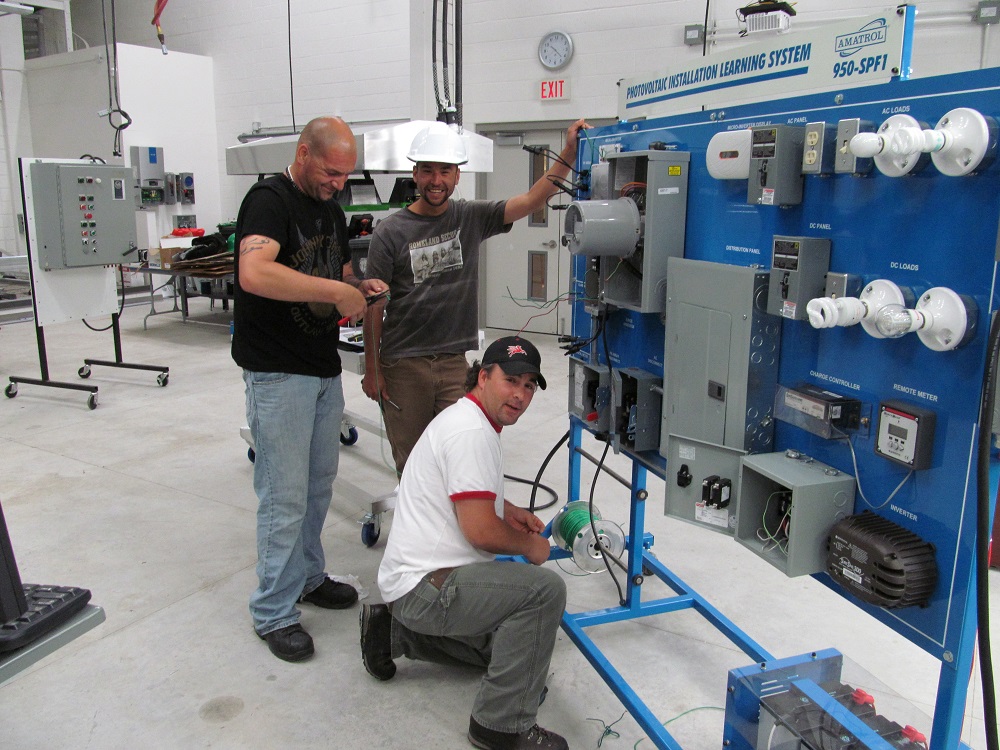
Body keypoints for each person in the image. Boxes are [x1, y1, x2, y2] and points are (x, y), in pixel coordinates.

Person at [359, 336, 569, 750]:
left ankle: (393, 633)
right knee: (545, 594)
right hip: (426, 586)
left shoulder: (468, 418)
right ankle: (499, 725)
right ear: (484, 375)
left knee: (513, 653)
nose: (521, 395)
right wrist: (530, 547)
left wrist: (505, 508)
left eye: (529, 386)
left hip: (413, 581)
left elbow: (464, 490)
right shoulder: (470, 432)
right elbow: (481, 533)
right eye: (511, 380)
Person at [232, 116, 388, 662]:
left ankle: (307, 576)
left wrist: (357, 287)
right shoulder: (268, 201)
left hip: (321, 369)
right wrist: (331, 289)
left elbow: (338, 276)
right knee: (283, 495)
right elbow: (254, 273)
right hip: (277, 373)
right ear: (303, 153)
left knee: (318, 485)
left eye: (346, 175)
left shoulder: (331, 209)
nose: (338, 184)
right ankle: (273, 611)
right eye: (330, 172)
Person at [362, 118, 591, 473]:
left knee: (462, 454)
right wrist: (373, 369)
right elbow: (373, 307)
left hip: (454, 362)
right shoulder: (390, 232)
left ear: (457, 175)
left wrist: (569, 152)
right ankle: (418, 528)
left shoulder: (470, 216)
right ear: (415, 174)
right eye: (427, 171)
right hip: (404, 364)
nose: (436, 181)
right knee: (413, 464)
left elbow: (532, 200)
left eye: (445, 171)